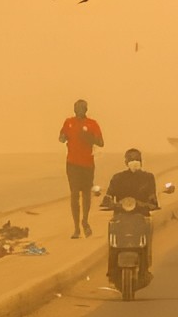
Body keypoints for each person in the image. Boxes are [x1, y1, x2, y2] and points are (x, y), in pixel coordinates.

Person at [103, 148, 159, 288]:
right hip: (120, 216)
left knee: (147, 235)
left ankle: (145, 269)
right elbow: (109, 195)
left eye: (137, 159)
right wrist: (108, 201)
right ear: (126, 162)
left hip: (141, 216)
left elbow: (152, 198)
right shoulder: (117, 178)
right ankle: (111, 270)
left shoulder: (148, 177)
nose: (134, 162)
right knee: (113, 237)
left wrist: (150, 204)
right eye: (131, 159)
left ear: (141, 161)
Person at [58, 98, 104, 239]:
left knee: (86, 195)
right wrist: (64, 136)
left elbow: (101, 142)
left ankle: (85, 221)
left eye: (82, 108)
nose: (79, 110)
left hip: (87, 164)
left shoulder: (92, 124)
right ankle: (76, 227)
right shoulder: (69, 122)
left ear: (86, 109)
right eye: (77, 107)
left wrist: (89, 137)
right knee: (74, 194)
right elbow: (61, 138)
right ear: (74, 109)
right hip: (72, 164)